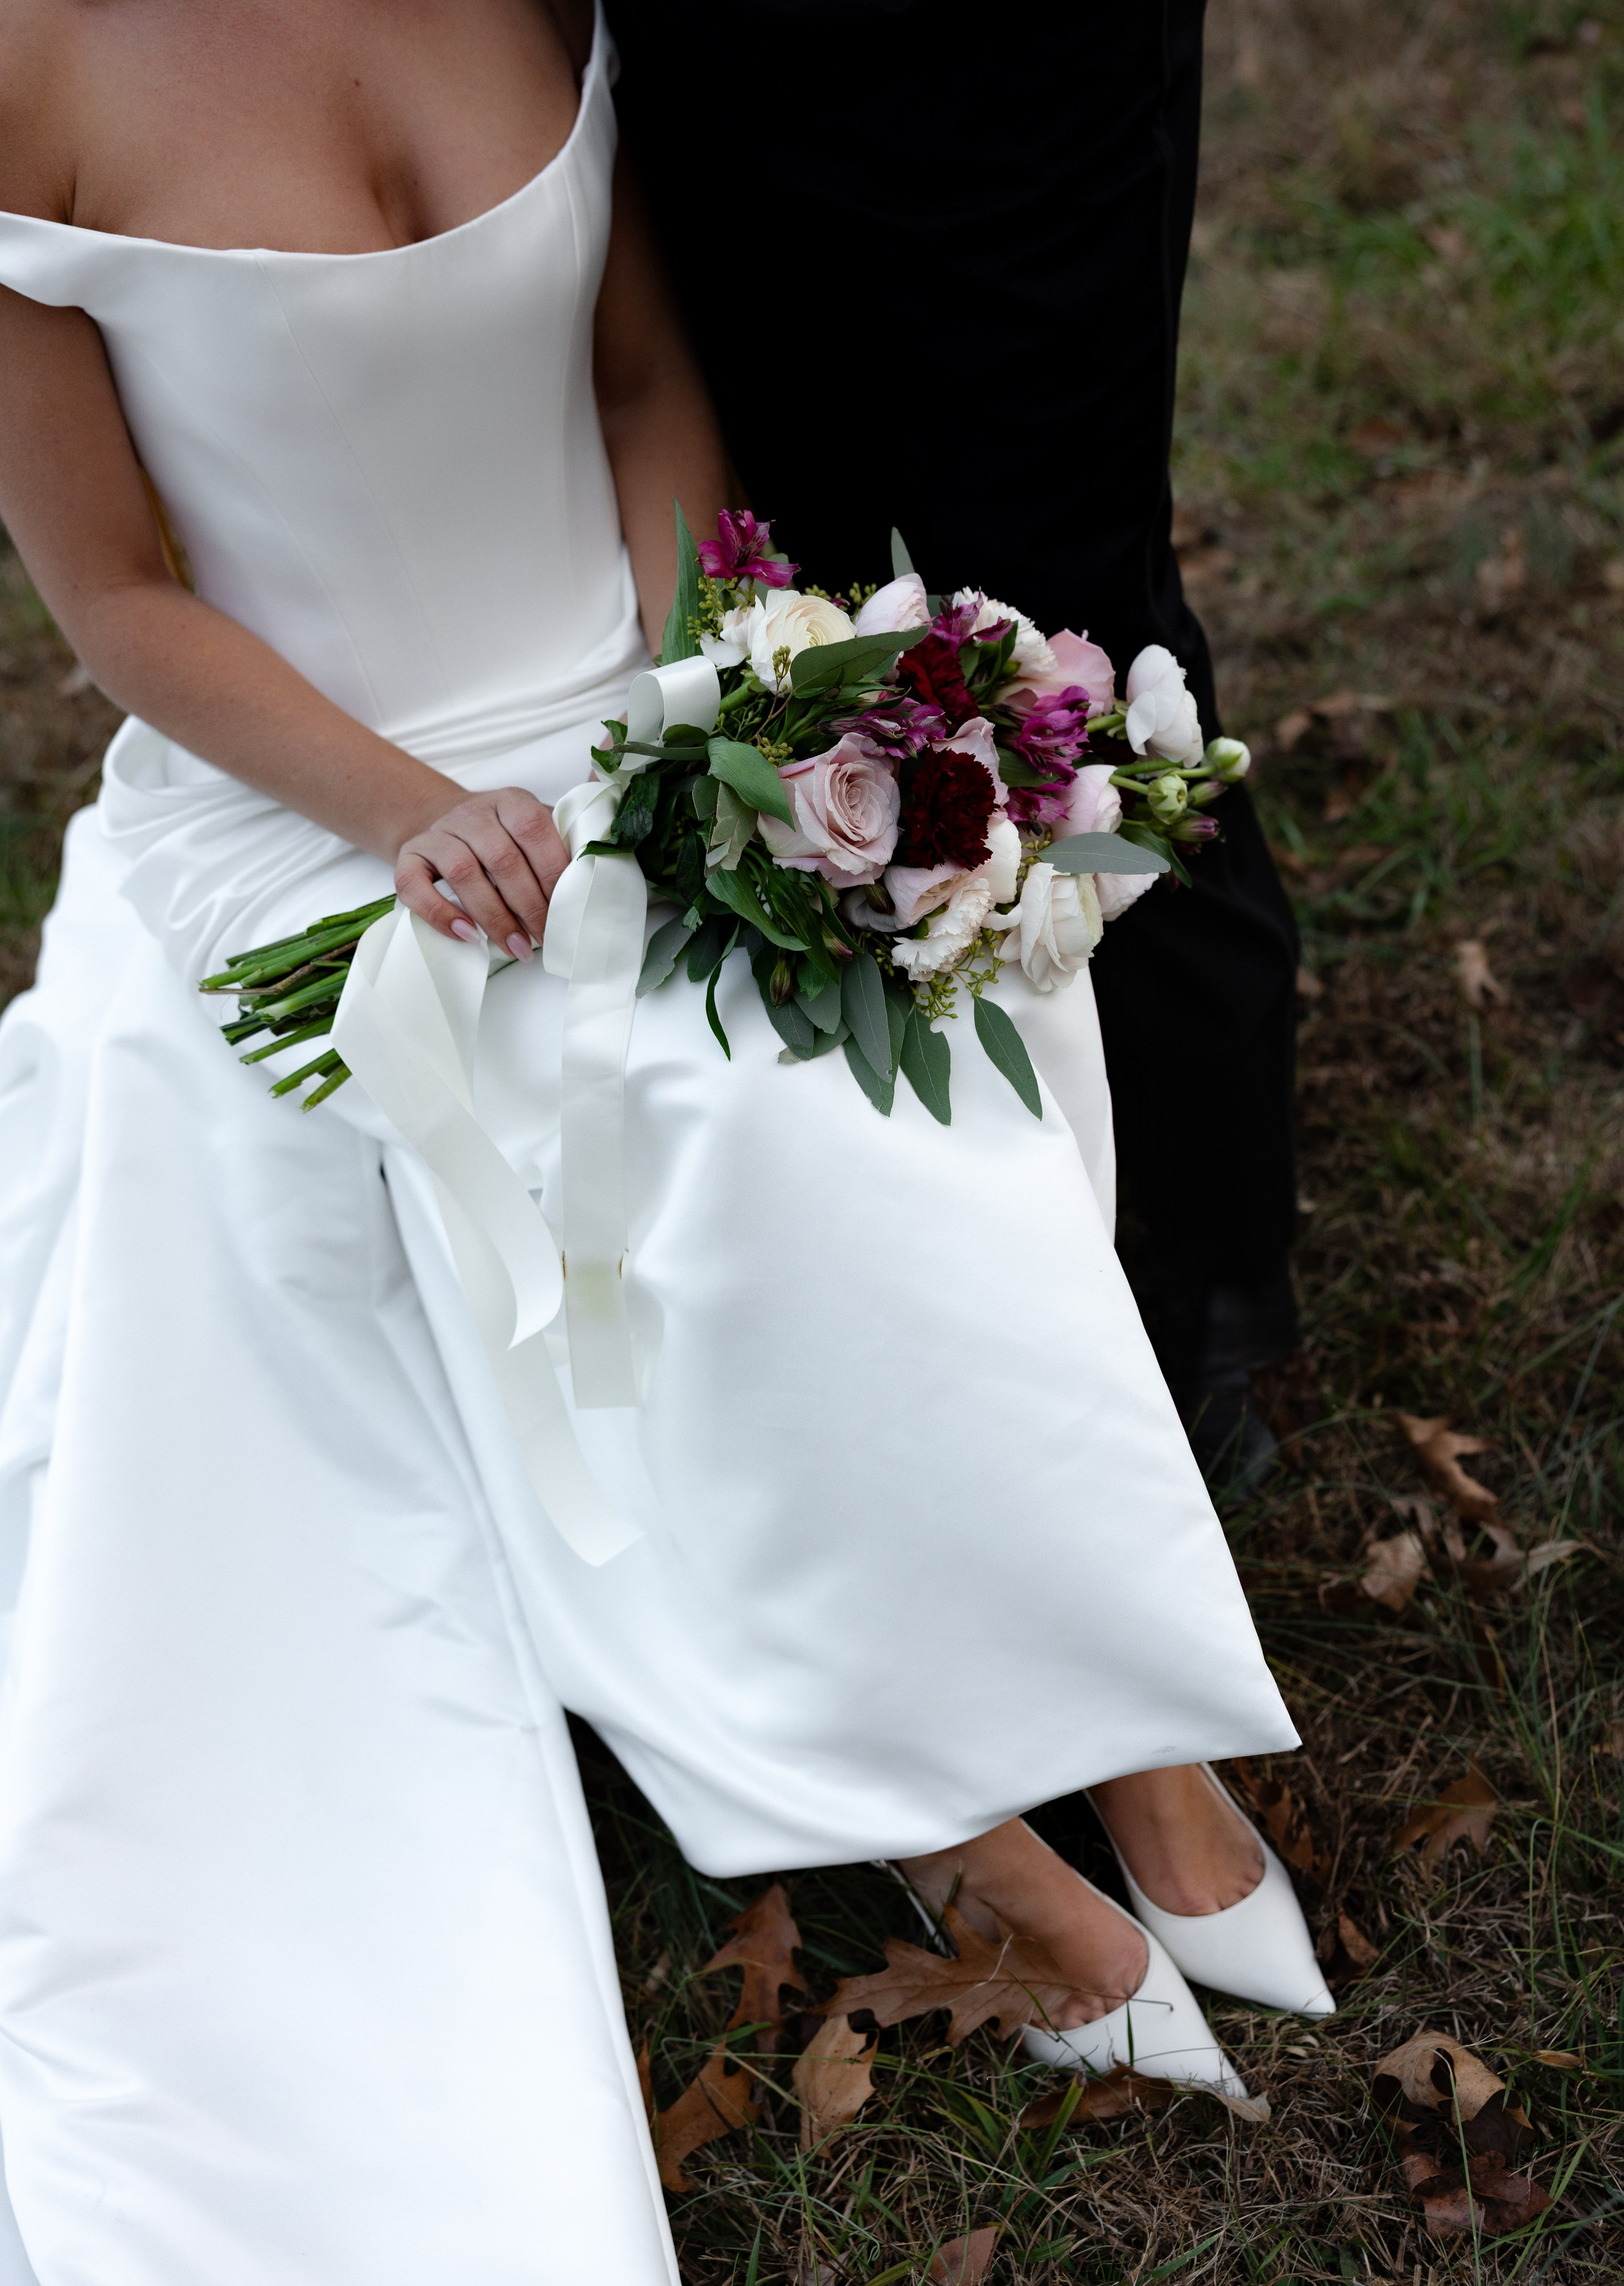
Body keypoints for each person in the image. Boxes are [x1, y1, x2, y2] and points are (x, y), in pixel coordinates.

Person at [0, 3, 1325, 2276]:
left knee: (904, 1024)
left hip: (617, 692)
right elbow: (114, 594)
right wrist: (416, 816)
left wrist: (718, 685)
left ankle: (1132, 1740)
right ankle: (947, 1826)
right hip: (324, 797)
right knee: (597, 1108)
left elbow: (633, 379)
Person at [603, 0, 1302, 1485]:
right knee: (780, 559)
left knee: (1037, 615)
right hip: (696, 52)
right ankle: (881, 1210)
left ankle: (1164, 1247)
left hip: (989, 74)